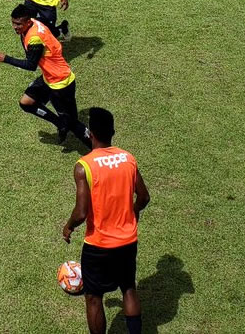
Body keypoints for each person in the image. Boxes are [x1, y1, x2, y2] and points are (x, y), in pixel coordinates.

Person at [63, 107, 150, 334]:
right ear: (113, 132)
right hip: (128, 241)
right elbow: (144, 197)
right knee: (129, 288)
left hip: (98, 245)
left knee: (93, 297)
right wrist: (133, 212)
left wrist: (69, 226)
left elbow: (81, 212)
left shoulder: (84, 166)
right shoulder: (128, 159)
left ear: (90, 133)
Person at [0, 4, 89, 146]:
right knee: (26, 102)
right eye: (13, 23)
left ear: (27, 22)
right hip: (49, 78)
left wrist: (7, 59)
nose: (15, 27)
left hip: (61, 83)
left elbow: (31, 65)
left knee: (73, 124)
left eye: (18, 24)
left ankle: (98, 149)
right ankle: (59, 123)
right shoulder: (33, 24)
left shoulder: (35, 38)